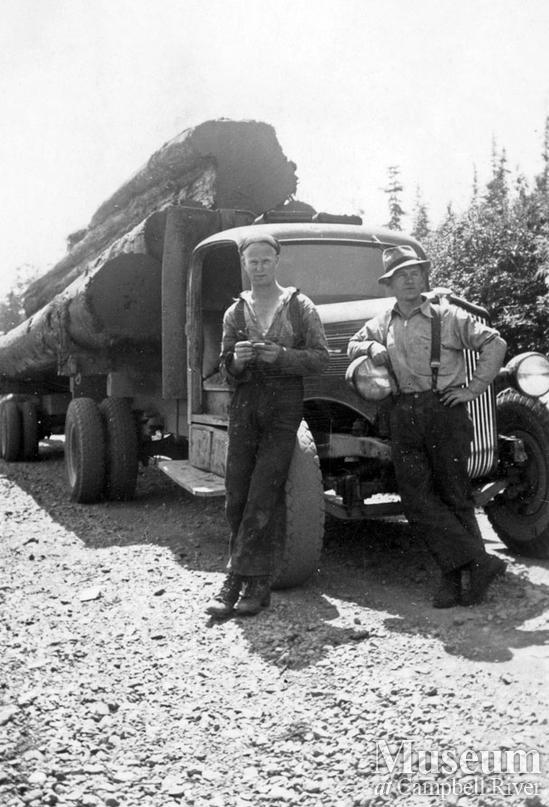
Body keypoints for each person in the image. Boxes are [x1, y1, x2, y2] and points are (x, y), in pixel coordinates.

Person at [347, 244, 508, 608]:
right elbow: (353, 345)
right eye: (401, 275)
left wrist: (474, 388)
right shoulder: (382, 321)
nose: (409, 279)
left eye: (415, 272)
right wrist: (369, 350)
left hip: (444, 412)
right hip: (402, 414)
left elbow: (495, 342)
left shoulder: (447, 316)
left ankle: (458, 579)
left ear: (423, 277)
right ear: (389, 283)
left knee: (454, 495)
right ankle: (479, 562)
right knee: (417, 499)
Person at [206, 234, 329, 617]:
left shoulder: (299, 306)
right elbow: (226, 369)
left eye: (264, 260)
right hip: (245, 403)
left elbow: (321, 358)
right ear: (244, 265)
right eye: (251, 261)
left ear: (277, 261)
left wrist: (283, 356)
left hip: (283, 401)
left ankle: (243, 583)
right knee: (237, 492)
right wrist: (237, 361)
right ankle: (248, 579)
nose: (258, 267)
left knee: (265, 491)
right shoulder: (235, 312)